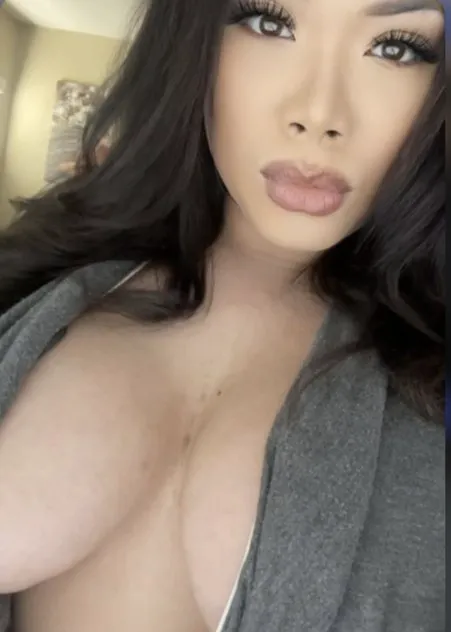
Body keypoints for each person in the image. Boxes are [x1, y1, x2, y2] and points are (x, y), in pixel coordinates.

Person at [0, 0, 445, 630]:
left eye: (396, 47)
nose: (319, 114)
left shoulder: (428, 391)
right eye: (269, 22)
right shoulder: (39, 289)